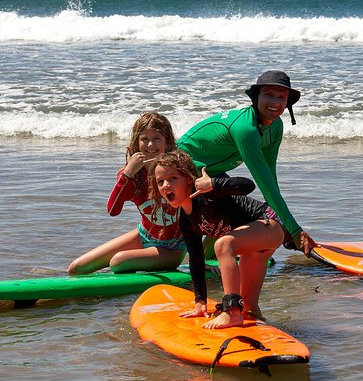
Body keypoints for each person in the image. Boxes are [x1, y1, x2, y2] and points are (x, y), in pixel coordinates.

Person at [177, 70, 316, 256]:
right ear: (256, 97)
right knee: (247, 213)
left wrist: (289, 227)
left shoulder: (275, 126)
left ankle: (209, 255)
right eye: (269, 95)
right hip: (180, 170)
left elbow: (270, 177)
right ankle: (208, 255)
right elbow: (263, 183)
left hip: (210, 173)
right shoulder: (246, 130)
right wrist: (294, 230)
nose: (275, 102)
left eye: (281, 97)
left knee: (236, 210)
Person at [149, 150, 283, 329]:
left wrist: (213, 183)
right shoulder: (185, 220)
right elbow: (196, 260)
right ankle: (262, 332)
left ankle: (231, 311)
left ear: (190, 178)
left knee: (223, 244)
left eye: (173, 178)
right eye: (160, 182)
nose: (166, 185)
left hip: (269, 225)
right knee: (249, 310)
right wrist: (200, 302)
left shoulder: (207, 194)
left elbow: (247, 185)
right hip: (251, 246)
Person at [67, 112, 184, 274]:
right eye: (144, 139)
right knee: (76, 268)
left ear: (167, 142)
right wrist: (128, 172)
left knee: (118, 262)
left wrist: (200, 259)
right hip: (145, 236)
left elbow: (198, 210)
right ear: (136, 142)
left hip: (174, 247)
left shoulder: (178, 172)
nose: (150, 145)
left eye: (157, 138)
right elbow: (113, 210)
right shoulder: (130, 176)